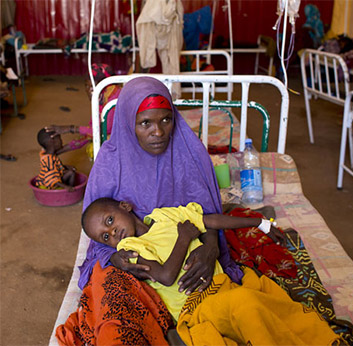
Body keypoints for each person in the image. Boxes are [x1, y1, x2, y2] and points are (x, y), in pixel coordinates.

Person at [67, 76, 242, 344]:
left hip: (183, 248)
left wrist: (210, 248)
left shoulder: (189, 152)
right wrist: (116, 260)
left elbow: (205, 213)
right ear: (128, 124)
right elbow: (97, 231)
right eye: (145, 123)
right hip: (138, 261)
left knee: (221, 300)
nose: (158, 132)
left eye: (166, 120)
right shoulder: (110, 163)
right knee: (112, 301)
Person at [80, 197, 341, 345]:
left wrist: (259, 222)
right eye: (105, 237)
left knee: (267, 305)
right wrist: (184, 238)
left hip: (223, 286)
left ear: (125, 206)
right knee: (246, 304)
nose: (112, 233)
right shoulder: (129, 248)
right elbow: (165, 276)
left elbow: (210, 220)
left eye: (110, 221)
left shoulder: (165, 216)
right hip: (195, 307)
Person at [45, 63, 121, 153]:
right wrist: (60, 151)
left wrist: (70, 128)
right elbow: (90, 132)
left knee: (96, 149)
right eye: (86, 85)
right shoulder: (101, 99)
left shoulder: (114, 100)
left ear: (105, 86)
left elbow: (98, 132)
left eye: (92, 87)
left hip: (124, 140)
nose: (88, 91)